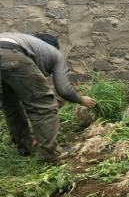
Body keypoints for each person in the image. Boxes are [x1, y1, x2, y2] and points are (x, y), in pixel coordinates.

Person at [0, 32, 96, 163]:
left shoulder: (29, 44)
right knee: (44, 104)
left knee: (11, 105)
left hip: (6, 50)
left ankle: (25, 146)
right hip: (10, 53)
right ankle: (52, 153)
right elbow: (64, 90)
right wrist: (80, 99)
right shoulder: (55, 54)